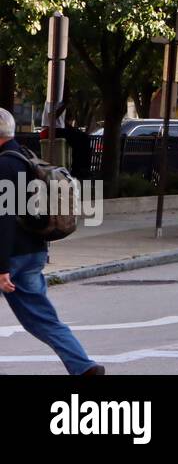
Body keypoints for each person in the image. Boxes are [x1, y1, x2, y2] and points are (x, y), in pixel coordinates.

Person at [0, 108, 104, 375]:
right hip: (34, 251)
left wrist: (2, 268)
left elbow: (4, 218)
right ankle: (83, 366)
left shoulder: (4, 165)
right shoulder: (24, 157)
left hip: (11, 257)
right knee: (44, 319)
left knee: (41, 318)